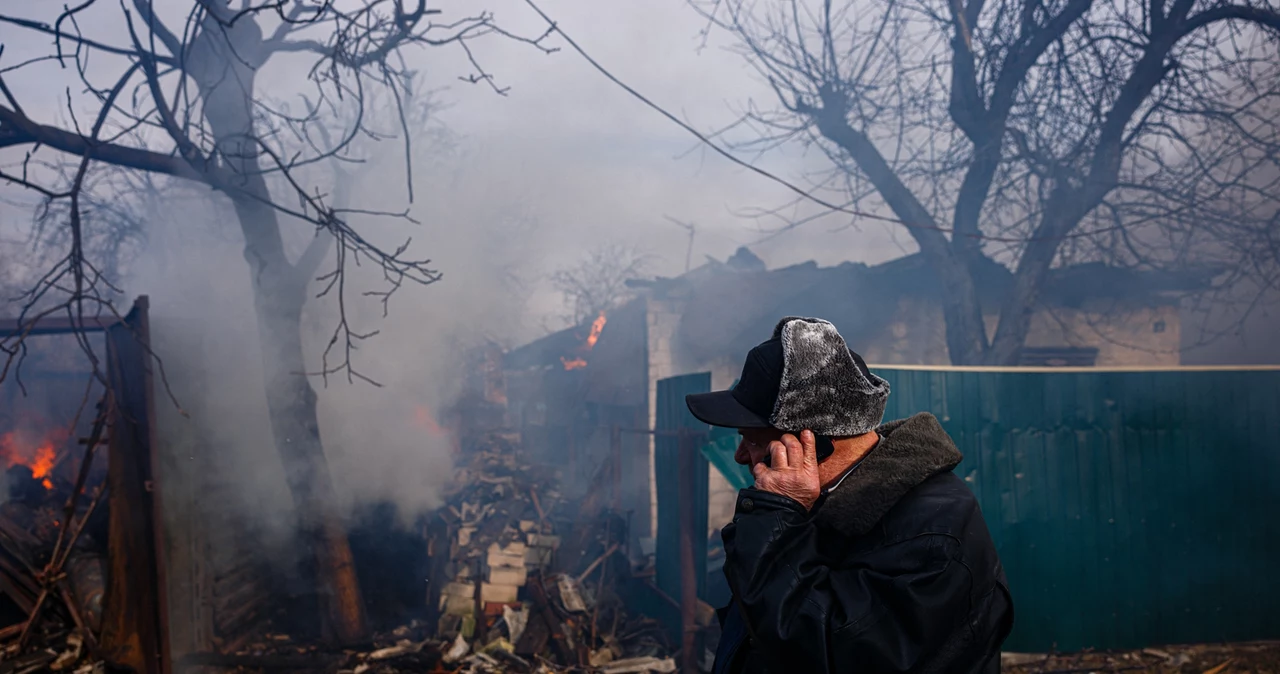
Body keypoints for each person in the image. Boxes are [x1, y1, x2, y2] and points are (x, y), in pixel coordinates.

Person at [685, 316, 1013, 674]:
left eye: (751, 439)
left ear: (813, 444)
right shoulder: (819, 504)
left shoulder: (933, 535)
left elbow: (820, 652)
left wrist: (773, 520)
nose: (741, 456)